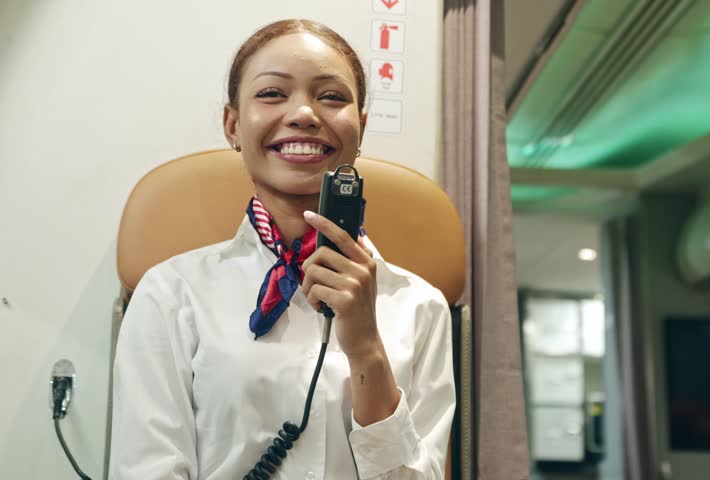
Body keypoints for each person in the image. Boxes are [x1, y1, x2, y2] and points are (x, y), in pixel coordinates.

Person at [109, 19, 455, 480]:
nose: (305, 115)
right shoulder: (170, 294)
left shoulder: (421, 307)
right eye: (272, 94)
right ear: (233, 124)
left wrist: (367, 348)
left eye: (331, 97)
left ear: (361, 128)